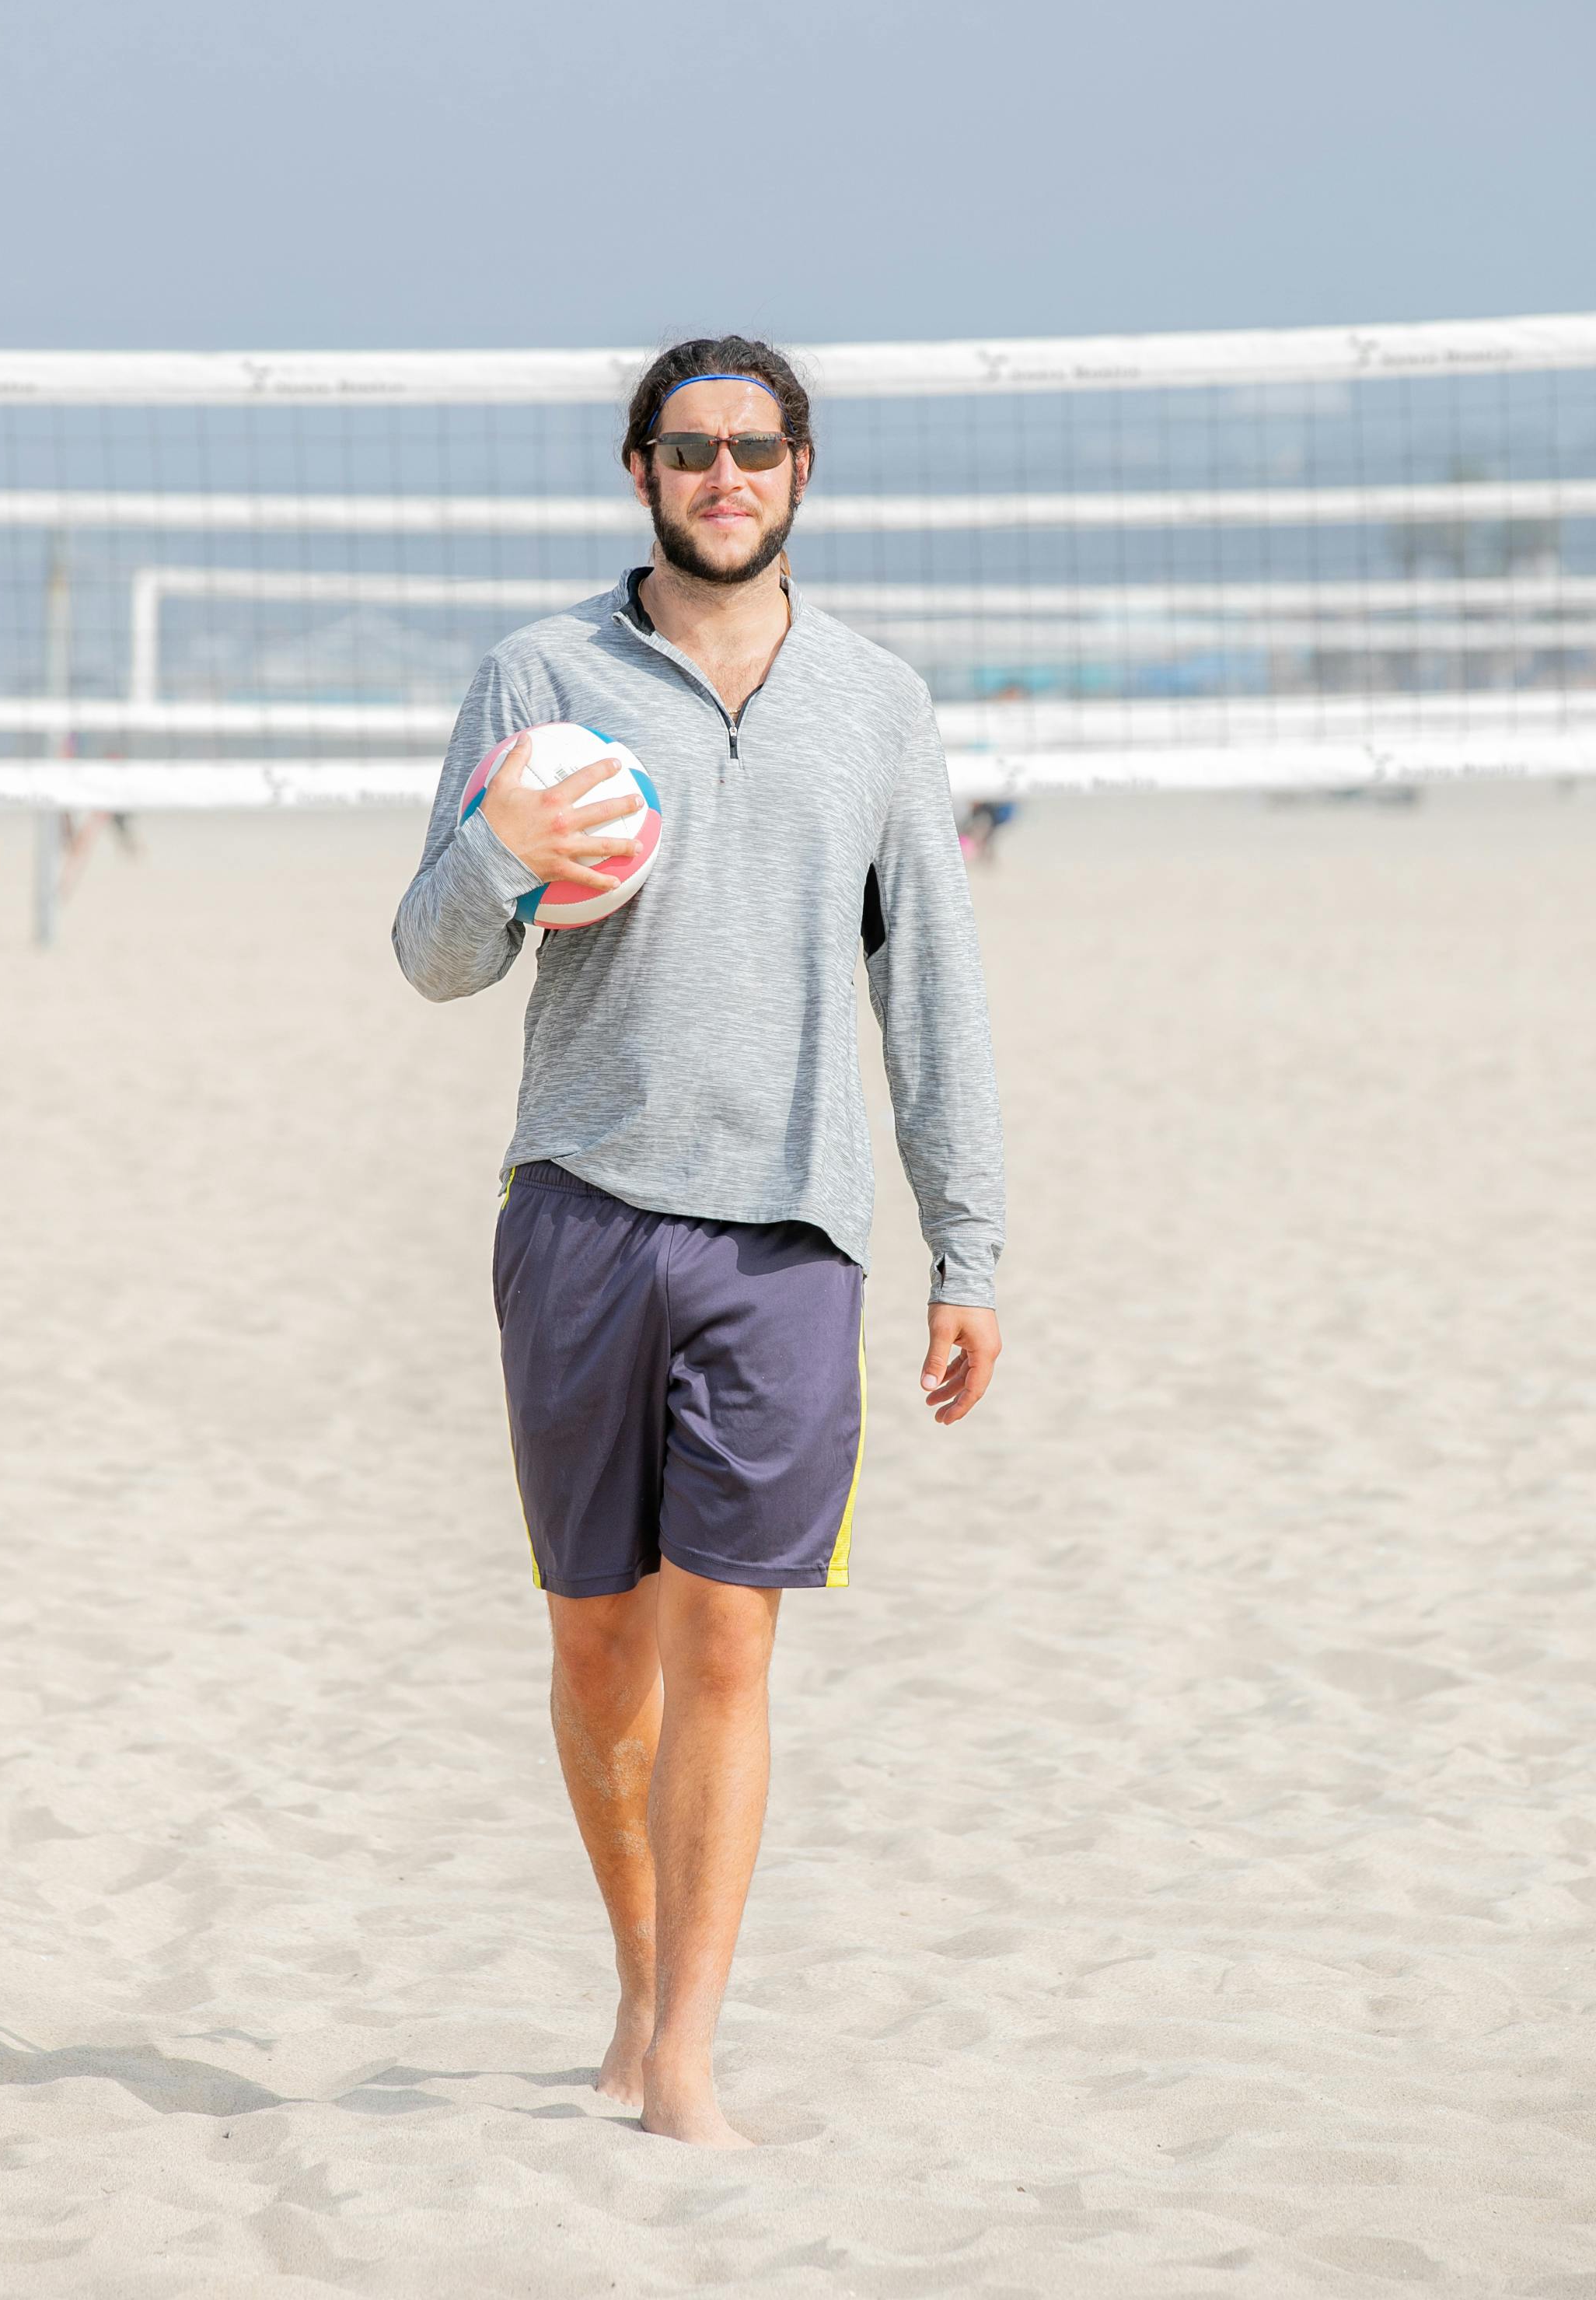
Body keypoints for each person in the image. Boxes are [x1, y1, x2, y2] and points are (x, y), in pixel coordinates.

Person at [393, 336, 1004, 2146]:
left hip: (792, 1240)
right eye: (689, 447)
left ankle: (685, 2061)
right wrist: (498, 846)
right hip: (579, 1213)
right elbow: (435, 958)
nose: (723, 475)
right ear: (639, 469)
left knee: (727, 1639)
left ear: (802, 471)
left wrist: (968, 1248)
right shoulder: (541, 674)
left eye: (754, 448)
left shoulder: (879, 703)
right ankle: (638, 1973)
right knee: (599, 1643)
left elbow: (934, 987)